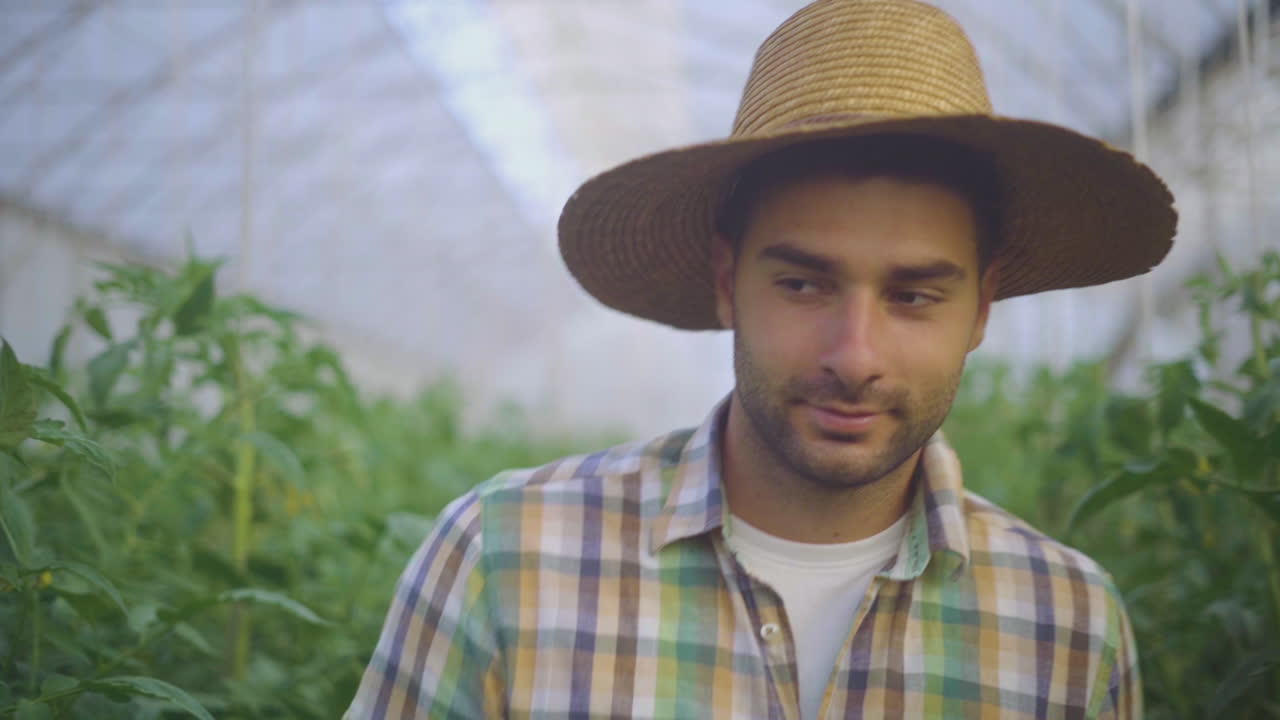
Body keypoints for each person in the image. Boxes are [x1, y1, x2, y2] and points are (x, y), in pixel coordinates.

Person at [347, 0, 1176, 717]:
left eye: (915, 295)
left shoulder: (1066, 626)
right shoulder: (505, 558)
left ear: (982, 309)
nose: (855, 356)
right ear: (725, 282)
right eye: (804, 285)